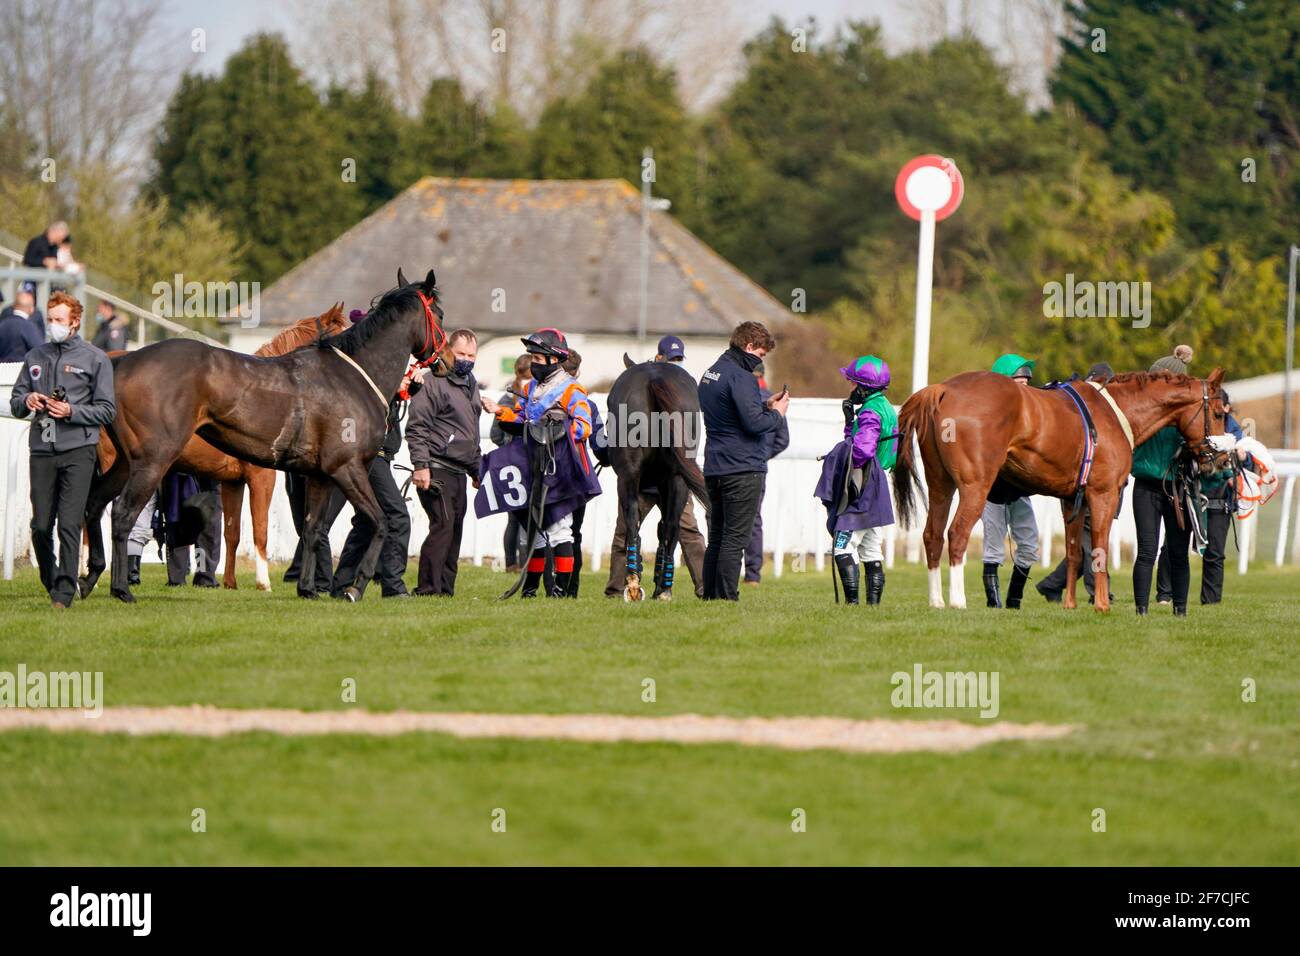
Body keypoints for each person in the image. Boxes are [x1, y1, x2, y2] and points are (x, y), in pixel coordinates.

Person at [8, 291, 116, 608]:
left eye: (59, 320)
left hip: (79, 450)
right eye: (50, 319)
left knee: (69, 524)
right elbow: (16, 402)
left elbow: (107, 410)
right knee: (41, 526)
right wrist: (28, 401)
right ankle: (50, 578)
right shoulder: (35, 357)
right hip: (41, 449)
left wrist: (72, 412)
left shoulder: (95, 359)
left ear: (74, 322)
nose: (53, 325)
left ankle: (64, 593)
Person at [482, 328, 595, 598]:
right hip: (532, 465)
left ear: (554, 359)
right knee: (529, 530)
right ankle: (530, 590)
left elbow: (584, 426)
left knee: (559, 528)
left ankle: (560, 590)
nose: (533, 362)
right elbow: (523, 421)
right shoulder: (531, 387)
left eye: (537, 357)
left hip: (560, 468)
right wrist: (502, 412)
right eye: (531, 356)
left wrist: (552, 428)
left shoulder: (573, 390)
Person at [697, 321, 789, 601]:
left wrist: (764, 405)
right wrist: (778, 414)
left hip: (714, 466)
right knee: (734, 539)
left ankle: (711, 595)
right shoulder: (743, 378)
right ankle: (726, 598)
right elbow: (754, 425)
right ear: (749, 347)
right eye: (761, 355)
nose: (760, 361)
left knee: (717, 537)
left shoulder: (711, 373)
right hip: (742, 469)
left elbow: (733, 413)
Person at [331, 365, 422, 600]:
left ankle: (340, 584)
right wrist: (396, 389)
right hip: (374, 458)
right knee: (397, 516)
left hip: (375, 458)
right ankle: (392, 586)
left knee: (365, 522)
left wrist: (406, 391)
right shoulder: (376, 387)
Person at [816, 355, 897, 604]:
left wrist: (838, 452)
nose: (850, 388)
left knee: (842, 546)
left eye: (853, 383)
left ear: (864, 387)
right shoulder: (884, 406)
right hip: (877, 486)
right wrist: (850, 421)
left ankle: (852, 604)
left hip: (862, 485)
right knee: (871, 549)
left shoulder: (871, 412)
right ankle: (872, 607)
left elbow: (861, 451)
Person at [408, 329, 482, 596]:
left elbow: (471, 433)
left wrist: (477, 470)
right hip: (436, 466)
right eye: (461, 353)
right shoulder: (432, 382)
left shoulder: (471, 385)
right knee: (443, 525)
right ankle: (427, 588)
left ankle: (445, 590)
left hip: (460, 471)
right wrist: (420, 465)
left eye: (471, 355)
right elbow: (417, 428)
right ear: (449, 350)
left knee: (455, 530)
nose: (466, 359)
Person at [1037, 362, 1117, 604]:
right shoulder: (1085, 409)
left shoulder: (1103, 411)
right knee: (1090, 545)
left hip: (1098, 487)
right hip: (1085, 489)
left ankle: (1051, 585)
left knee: (1088, 546)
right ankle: (1096, 592)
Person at [1132, 353, 1194, 617]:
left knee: (1178, 553)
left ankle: (1180, 611)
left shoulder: (1189, 410)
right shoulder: (1141, 408)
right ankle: (1141, 611)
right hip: (1146, 485)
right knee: (1146, 551)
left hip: (1178, 488)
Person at [981, 353, 1040, 609]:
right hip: (992, 493)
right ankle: (993, 605)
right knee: (993, 550)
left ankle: (1014, 601)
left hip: (1019, 493)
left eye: (1027, 381)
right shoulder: (988, 417)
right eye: (1019, 381)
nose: (1025, 385)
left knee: (1029, 547)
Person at [742, 359, 789, 585]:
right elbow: (783, 440)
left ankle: (726, 572)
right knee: (754, 520)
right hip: (759, 467)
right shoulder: (775, 400)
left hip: (736, 464)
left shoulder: (742, 398)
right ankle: (753, 575)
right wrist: (763, 455)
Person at [490, 354, 532, 572]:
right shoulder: (508, 399)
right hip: (513, 463)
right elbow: (495, 434)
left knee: (520, 517)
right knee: (515, 517)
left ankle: (522, 562)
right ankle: (512, 563)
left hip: (526, 462)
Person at [0, 291, 42, 362]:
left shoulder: (2, 324)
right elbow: (40, 351)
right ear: (32, 309)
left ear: (13, 306)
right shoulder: (29, 327)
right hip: (21, 369)